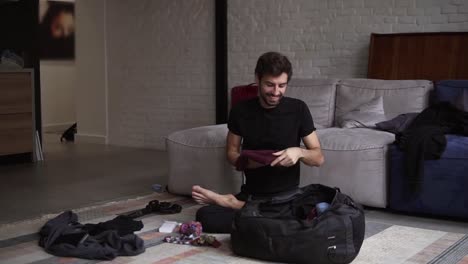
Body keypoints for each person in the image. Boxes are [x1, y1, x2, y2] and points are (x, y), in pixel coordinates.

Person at [192, 51, 324, 233]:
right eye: (270, 85)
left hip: (286, 197)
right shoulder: (240, 111)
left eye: (282, 86)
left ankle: (234, 205)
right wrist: (245, 162)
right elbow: (231, 152)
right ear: (258, 79)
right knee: (205, 216)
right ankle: (251, 211)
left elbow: (318, 158)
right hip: (252, 195)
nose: (276, 92)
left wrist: (299, 152)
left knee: (308, 217)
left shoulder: (298, 109)